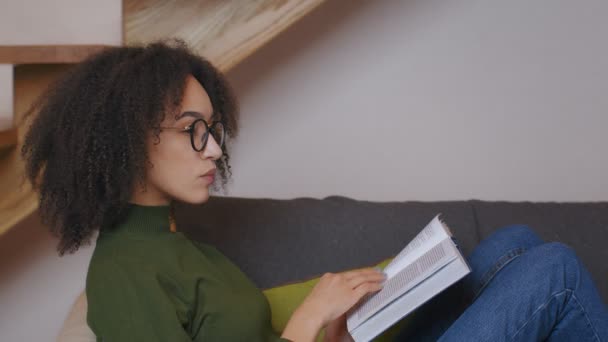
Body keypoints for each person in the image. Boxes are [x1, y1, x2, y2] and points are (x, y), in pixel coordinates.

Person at [20, 40, 607, 342]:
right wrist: (307, 323)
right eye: (190, 131)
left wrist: (342, 316)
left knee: (514, 241)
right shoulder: (125, 271)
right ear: (127, 138)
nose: (215, 150)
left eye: (213, 129)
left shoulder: (177, 243)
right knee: (551, 268)